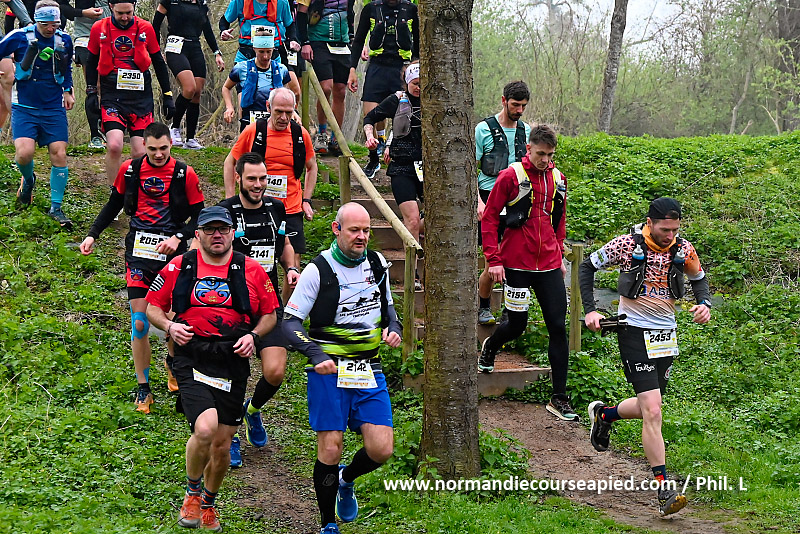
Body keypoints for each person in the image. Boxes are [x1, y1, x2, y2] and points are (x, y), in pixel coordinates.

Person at [145, 205, 279, 531]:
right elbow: (152, 307)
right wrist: (169, 326)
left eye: (222, 229)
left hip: (232, 360)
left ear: (233, 233)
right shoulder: (180, 265)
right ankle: (191, 494)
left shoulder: (251, 269)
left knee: (221, 446)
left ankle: (208, 503)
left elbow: (270, 314)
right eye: (209, 229)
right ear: (198, 234)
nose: (216, 235)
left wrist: (253, 336)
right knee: (205, 429)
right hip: (192, 357)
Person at [580, 197, 712, 517]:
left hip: (665, 336)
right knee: (653, 410)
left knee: (647, 407)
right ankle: (664, 488)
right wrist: (591, 310)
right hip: (633, 330)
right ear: (650, 223)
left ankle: (605, 415)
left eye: (675, 229)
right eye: (665, 229)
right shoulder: (626, 245)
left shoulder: (683, 249)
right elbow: (587, 267)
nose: (670, 235)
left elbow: (699, 279)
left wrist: (704, 303)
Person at [282, 202, 402, 534]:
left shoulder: (377, 263)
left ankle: (346, 480)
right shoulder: (318, 269)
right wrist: (314, 354)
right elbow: (289, 322)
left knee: (382, 449)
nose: (362, 237)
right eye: (354, 230)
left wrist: (394, 329)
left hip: (368, 369)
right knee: (331, 446)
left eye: (366, 231)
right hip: (330, 372)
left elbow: (390, 310)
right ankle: (327, 524)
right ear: (337, 230)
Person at [79, 122, 205, 413]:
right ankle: (143, 387)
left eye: (164, 148)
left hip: (173, 256)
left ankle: (173, 363)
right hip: (139, 254)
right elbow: (113, 204)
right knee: (139, 322)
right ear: (143, 146)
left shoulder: (184, 173)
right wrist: (92, 234)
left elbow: (200, 215)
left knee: (173, 320)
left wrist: (179, 237)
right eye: (152, 149)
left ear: (171, 145)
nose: (158, 154)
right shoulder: (130, 170)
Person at [479, 124, 577, 422]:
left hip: (549, 265)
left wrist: (559, 252)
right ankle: (491, 345)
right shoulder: (510, 176)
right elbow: (489, 218)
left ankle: (559, 397)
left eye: (550, 155)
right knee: (517, 324)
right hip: (516, 264)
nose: (545, 160)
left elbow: (559, 219)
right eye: (540, 154)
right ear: (528, 149)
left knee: (558, 327)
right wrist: (493, 259)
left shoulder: (558, 179)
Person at [216, 151, 300, 467]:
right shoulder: (225, 212)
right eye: (252, 178)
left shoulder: (276, 208)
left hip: (267, 305)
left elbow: (284, 245)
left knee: (275, 372)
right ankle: (231, 436)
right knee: (230, 376)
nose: (258, 184)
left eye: (263, 178)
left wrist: (291, 268)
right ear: (238, 178)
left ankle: (251, 411)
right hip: (232, 307)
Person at [224, 87, 316, 300]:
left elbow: (312, 167)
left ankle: (284, 312)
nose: (284, 117)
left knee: (293, 265)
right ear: (268, 107)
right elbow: (230, 162)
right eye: (279, 112)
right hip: (256, 206)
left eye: (289, 112)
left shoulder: (300, 134)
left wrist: (307, 200)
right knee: (251, 259)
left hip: (290, 207)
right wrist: (230, 198)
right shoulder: (254, 131)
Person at [0, 0, 74, 228]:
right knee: (24, 154)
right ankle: (29, 180)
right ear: (37, 21)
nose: (51, 29)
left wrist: (68, 90)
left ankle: (56, 207)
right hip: (25, 105)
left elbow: (67, 68)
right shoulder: (19, 36)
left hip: (53, 106)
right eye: (46, 25)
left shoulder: (64, 40)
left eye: (55, 24)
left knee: (59, 153)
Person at [84, 0, 175, 185]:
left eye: (129, 13)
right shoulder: (99, 28)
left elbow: (158, 62)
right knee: (114, 145)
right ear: (111, 6)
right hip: (112, 95)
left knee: (140, 151)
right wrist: (91, 91)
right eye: (120, 13)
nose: (125, 18)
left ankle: (136, 192)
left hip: (140, 97)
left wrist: (167, 95)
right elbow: (91, 61)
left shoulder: (146, 28)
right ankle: (115, 192)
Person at [475, 80, 531, 325]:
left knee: (515, 259)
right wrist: (478, 202)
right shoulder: (483, 129)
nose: (519, 110)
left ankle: (510, 309)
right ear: (504, 101)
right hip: (489, 198)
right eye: (515, 105)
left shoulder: (527, 131)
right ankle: (484, 306)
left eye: (523, 106)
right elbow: (469, 168)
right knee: (493, 259)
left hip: (517, 200)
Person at [363, 61, 421, 288]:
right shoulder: (397, 99)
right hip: (401, 167)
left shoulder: (435, 100)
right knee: (412, 220)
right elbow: (370, 118)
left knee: (431, 220)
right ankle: (412, 274)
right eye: (415, 83)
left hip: (429, 169)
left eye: (422, 84)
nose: (419, 88)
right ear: (407, 82)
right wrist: (371, 137)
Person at [348, 0, 417, 179]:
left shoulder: (411, 9)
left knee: (402, 114)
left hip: (402, 68)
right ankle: (373, 159)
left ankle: (400, 157)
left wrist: (416, 70)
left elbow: (418, 42)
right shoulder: (371, 8)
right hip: (377, 66)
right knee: (370, 114)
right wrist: (352, 69)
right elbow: (359, 40)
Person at [153, 0, 224, 150]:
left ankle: (190, 138)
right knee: (189, 88)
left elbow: (207, 29)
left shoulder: (201, 4)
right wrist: (156, 49)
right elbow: (156, 25)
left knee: (197, 92)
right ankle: (174, 127)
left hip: (195, 47)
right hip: (175, 47)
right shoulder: (169, 2)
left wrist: (217, 52)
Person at [296, 0, 354, 155]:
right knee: (325, 88)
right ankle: (321, 134)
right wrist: (305, 42)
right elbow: (301, 13)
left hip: (342, 43)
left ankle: (336, 138)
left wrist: (352, 38)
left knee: (340, 91)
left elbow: (350, 13)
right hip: (319, 41)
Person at [221, 25, 292, 132]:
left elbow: (285, 95)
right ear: (254, 49)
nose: (265, 56)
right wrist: (229, 107)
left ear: (273, 49)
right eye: (261, 52)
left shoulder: (282, 70)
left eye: (268, 52)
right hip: (248, 121)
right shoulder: (241, 68)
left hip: (273, 121)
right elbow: (226, 87)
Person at [58, 0, 107, 149]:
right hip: (85, 36)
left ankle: (112, 130)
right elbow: (61, 6)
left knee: (107, 87)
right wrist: (83, 13)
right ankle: (96, 136)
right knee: (94, 86)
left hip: (111, 34)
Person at [219, 0, 296, 64]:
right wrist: (223, 31)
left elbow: (289, 25)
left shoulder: (282, 2)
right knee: (235, 76)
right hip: (246, 53)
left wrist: (292, 40)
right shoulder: (239, 1)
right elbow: (225, 20)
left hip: (272, 54)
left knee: (285, 75)